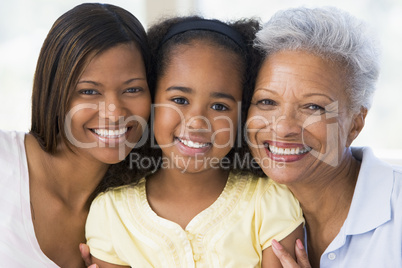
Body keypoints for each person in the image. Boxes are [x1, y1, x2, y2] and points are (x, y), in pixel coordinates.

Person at [85, 16, 304, 267]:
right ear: (151, 100)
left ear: (242, 116)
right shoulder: (111, 213)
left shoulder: (269, 203)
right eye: (179, 100)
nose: (197, 122)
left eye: (220, 106)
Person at [246, 6, 402, 268]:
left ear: (355, 123)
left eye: (313, 107)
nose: (284, 128)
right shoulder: (235, 211)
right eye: (267, 101)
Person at [0, 3, 152, 267]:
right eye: (89, 92)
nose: (115, 113)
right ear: (54, 91)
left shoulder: (142, 212)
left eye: (132, 89)